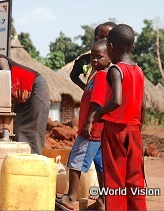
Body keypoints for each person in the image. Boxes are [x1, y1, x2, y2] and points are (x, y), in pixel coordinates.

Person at [93, 24, 147, 211]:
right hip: (134, 130)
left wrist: (98, 113)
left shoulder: (116, 70)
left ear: (111, 47)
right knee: (135, 178)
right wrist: (138, 127)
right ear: (131, 47)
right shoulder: (139, 71)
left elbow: (116, 100)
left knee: (115, 180)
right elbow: (143, 105)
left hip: (115, 130)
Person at [56, 39, 110, 211]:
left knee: (75, 161)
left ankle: (71, 198)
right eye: (92, 56)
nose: (94, 60)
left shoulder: (101, 76)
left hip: (91, 130)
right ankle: (102, 201)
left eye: (99, 56)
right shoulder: (97, 75)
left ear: (109, 57)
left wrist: (88, 122)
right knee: (102, 167)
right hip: (99, 131)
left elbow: (97, 102)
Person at [0, 48, 50, 155]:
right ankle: (23, 157)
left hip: (35, 86)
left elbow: (6, 82)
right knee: (17, 127)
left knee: (34, 125)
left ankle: (35, 158)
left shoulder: (0, 60)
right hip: (21, 97)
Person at [70, 22, 117, 91]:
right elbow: (73, 76)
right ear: (96, 39)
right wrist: (86, 89)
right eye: (101, 37)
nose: (104, 40)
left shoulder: (118, 60)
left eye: (108, 37)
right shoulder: (86, 60)